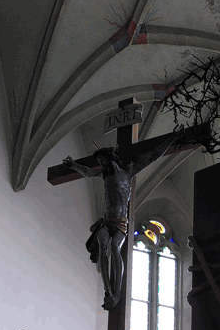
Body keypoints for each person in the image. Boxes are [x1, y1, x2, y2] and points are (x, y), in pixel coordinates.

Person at [63, 130, 182, 310]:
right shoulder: (104, 174)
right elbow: (87, 172)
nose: (102, 166)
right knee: (103, 246)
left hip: (120, 223)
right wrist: (74, 166)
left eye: (103, 162)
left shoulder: (128, 172)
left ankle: (116, 291)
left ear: (111, 159)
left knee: (114, 247)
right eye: (100, 163)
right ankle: (108, 290)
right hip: (106, 222)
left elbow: (153, 156)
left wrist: (172, 139)